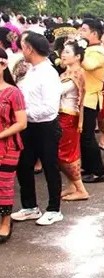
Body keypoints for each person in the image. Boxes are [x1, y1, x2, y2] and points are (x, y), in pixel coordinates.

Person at [12, 32, 64, 226]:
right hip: (28, 126)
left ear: (29, 49)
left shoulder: (48, 73)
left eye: (22, 46)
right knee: (24, 165)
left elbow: (50, 108)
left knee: (50, 166)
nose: (20, 50)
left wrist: (25, 114)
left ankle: (54, 209)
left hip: (46, 128)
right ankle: (29, 206)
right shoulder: (31, 70)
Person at [0, 48, 26, 243]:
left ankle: (6, 221)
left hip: (8, 146)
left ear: (3, 65)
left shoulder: (13, 92)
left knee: (4, 184)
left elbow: (21, 123)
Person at [58, 39, 89, 202]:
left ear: (77, 56)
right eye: (63, 51)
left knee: (64, 154)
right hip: (66, 115)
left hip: (68, 116)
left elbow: (58, 90)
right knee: (69, 152)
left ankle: (81, 189)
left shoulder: (75, 74)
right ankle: (72, 185)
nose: (63, 54)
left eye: (67, 52)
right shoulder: (69, 72)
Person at [78, 18, 104, 183]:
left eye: (84, 30)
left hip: (91, 98)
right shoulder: (89, 49)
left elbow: (89, 65)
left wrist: (78, 52)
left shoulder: (97, 52)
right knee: (83, 136)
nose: (81, 33)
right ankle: (88, 168)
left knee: (88, 136)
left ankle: (99, 171)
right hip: (83, 98)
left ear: (94, 34)